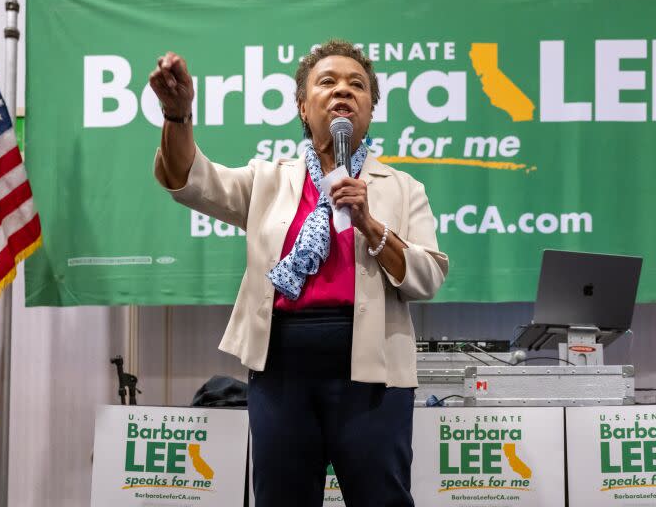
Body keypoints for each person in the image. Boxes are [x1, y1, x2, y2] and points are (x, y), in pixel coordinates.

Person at [150, 39, 449, 507]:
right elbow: (191, 180)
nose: (342, 92)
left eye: (357, 85)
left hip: (372, 378)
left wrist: (370, 224)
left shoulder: (402, 188)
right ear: (303, 108)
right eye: (327, 83)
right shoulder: (269, 179)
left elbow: (428, 276)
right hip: (281, 373)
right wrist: (177, 116)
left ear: (371, 109)